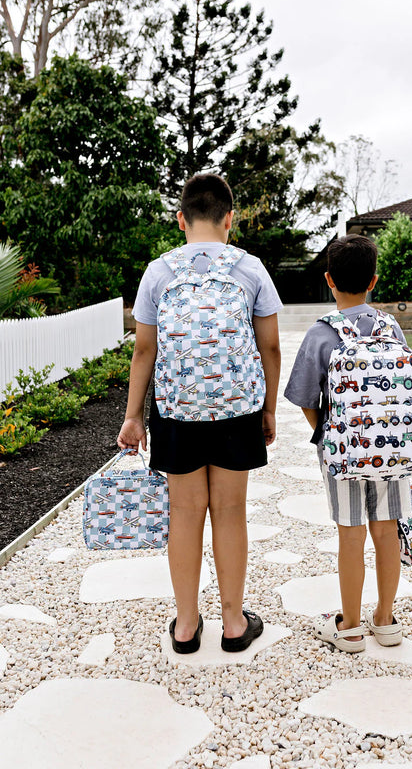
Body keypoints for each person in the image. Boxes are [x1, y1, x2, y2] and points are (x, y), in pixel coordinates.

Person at [118, 173, 282, 653]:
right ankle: (234, 624)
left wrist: (133, 417)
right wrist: (267, 407)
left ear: (181, 219)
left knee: (185, 514)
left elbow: (144, 350)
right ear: (230, 219)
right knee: (230, 511)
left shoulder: (159, 272)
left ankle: (187, 625)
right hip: (237, 410)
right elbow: (269, 345)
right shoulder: (250, 269)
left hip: (176, 410)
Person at [284, 234, 412, 652]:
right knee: (387, 530)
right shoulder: (390, 326)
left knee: (351, 534)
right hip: (392, 448)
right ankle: (386, 620)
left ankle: (351, 625)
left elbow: (304, 396)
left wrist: (325, 431)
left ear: (328, 280)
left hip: (343, 453)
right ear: (373, 280)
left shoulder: (322, 335)